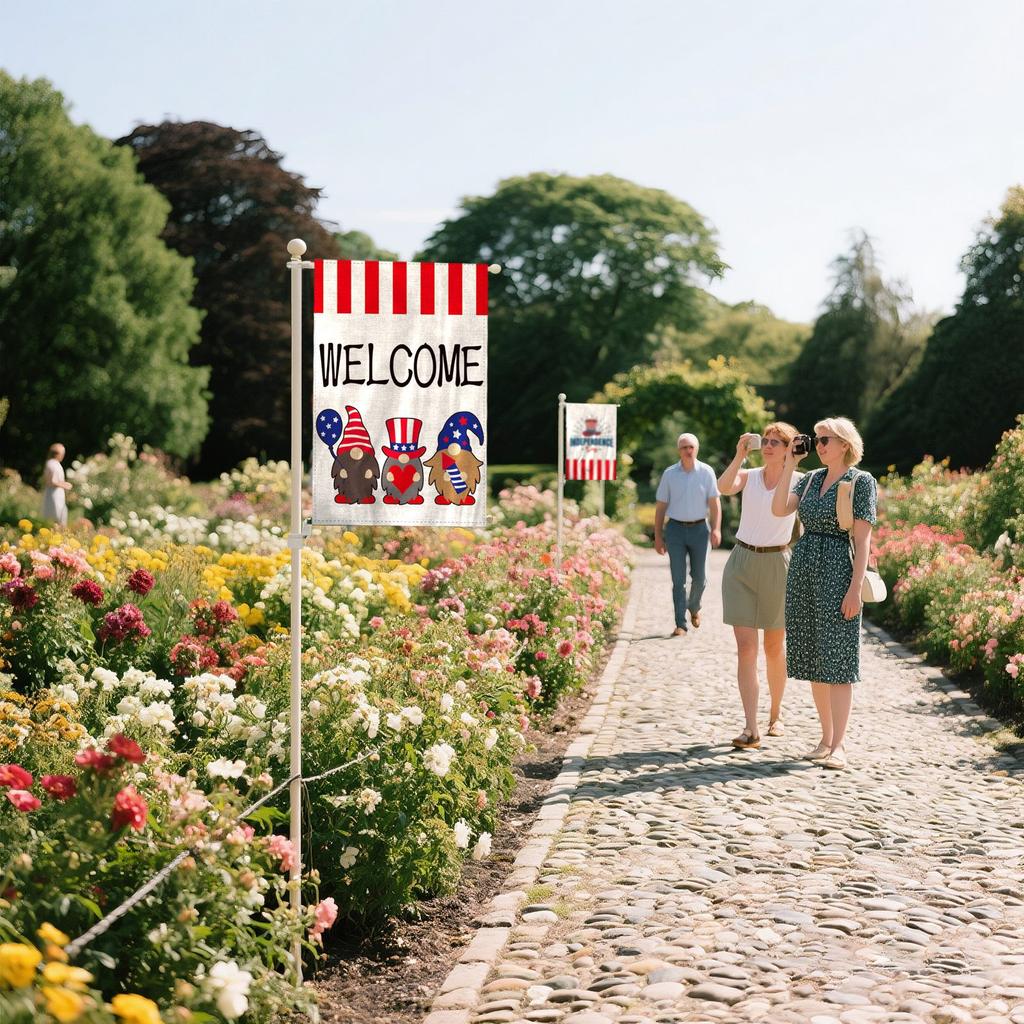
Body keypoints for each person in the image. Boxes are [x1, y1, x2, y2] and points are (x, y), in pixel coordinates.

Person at [771, 417, 878, 771]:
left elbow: (862, 541)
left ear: (845, 444)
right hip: (804, 571)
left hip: (838, 572)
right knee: (816, 659)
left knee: (838, 662)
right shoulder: (811, 478)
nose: (818, 445)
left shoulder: (860, 482)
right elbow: (779, 509)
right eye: (816, 439)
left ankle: (839, 745)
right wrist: (790, 464)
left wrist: (854, 590)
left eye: (825, 439)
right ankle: (825, 739)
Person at [717, 422, 801, 749]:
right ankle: (750, 727)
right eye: (765, 440)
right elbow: (724, 487)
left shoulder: (799, 481)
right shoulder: (749, 475)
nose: (767, 446)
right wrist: (740, 454)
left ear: (789, 448)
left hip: (778, 564)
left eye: (775, 442)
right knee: (746, 648)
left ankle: (776, 714)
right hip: (741, 564)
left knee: (774, 648)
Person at [654, 432, 721, 636]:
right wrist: (658, 536)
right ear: (679, 451)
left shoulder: (706, 472)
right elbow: (661, 507)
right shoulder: (669, 474)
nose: (688, 450)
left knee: (701, 578)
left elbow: (714, 503)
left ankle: (694, 606)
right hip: (675, 530)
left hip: (700, 530)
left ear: (696, 449)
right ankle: (680, 624)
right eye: (684, 447)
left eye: (691, 447)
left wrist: (716, 528)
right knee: (678, 580)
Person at [40, 443, 71, 527]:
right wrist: (64, 485)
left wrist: (64, 484)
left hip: (57, 493)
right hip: (53, 494)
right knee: (55, 516)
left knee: (60, 515)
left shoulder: (55, 463)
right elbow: (51, 481)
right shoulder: (52, 464)